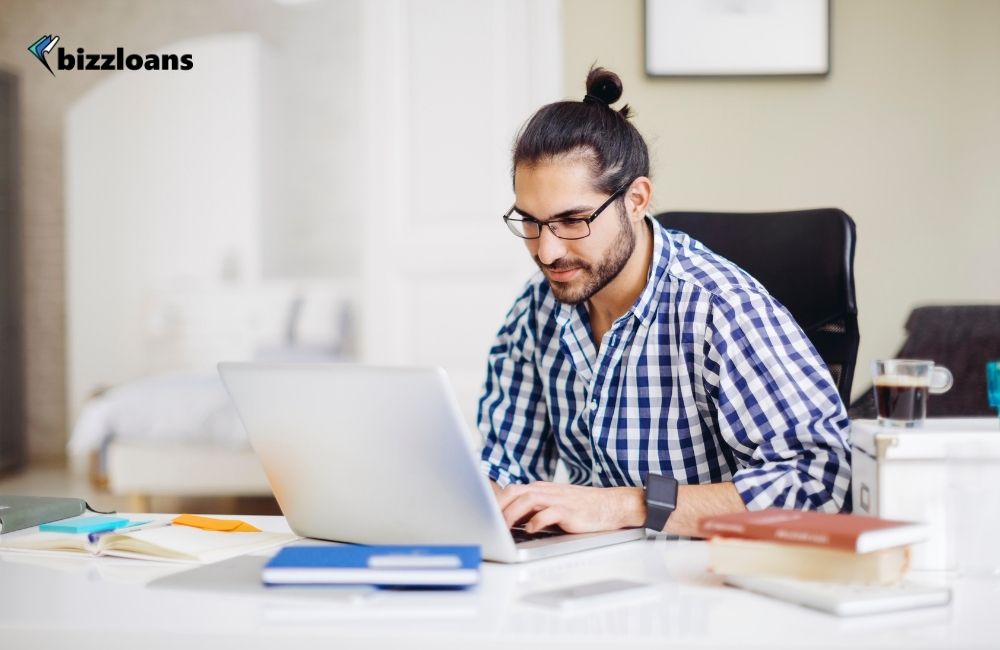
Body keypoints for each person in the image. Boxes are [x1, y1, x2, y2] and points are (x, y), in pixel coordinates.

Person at [478, 67, 851, 538]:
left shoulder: (721, 308)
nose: (547, 251)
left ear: (636, 199)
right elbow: (505, 466)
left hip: (706, 581)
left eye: (572, 220)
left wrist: (627, 506)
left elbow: (817, 483)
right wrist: (481, 495)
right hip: (584, 577)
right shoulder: (536, 308)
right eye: (530, 221)